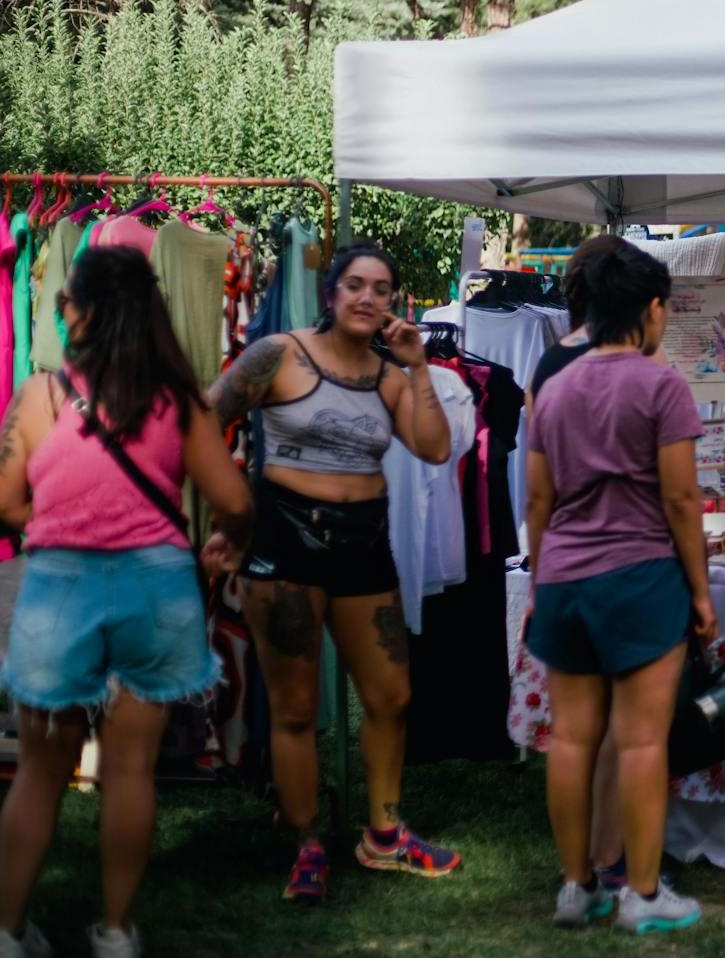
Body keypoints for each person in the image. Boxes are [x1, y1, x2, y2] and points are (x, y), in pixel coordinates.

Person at [0, 246, 253, 958]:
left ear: (76, 312)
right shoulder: (177, 399)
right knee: (131, 770)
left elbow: (4, 502)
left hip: (60, 590)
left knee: (41, 773)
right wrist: (227, 545)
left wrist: (59, 525)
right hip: (156, 588)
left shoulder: (40, 398)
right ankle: (115, 931)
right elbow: (233, 499)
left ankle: (8, 931)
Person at [210, 242, 456, 904]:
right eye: (354, 284)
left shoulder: (389, 376)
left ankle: (384, 835)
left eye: (380, 289)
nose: (367, 298)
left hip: (363, 546)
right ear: (331, 293)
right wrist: (226, 520)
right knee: (295, 708)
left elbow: (435, 446)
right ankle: (307, 844)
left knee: (391, 697)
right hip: (283, 541)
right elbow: (206, 420)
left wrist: (419, 366)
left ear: (393, 304)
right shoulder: (277, 356)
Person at [524, 243, 715, 934]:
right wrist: (700, 592)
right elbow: (682, 498)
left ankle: (576, 888)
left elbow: (538, 501)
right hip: (640, 576)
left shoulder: (552, 388)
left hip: (565, 578)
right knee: (640, 743)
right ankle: (641, 892)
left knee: (571, 740)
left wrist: (542, 585)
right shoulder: (660, 384)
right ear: (651, 308)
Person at [521, 234, 633, 896]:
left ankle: (577, 869)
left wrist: (538, 568)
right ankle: (610, 854)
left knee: (574, 731)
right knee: (620, 729)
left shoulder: (547, 364)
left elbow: (538, 485)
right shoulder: (626, 360)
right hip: (621, 549)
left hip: (562, 549)